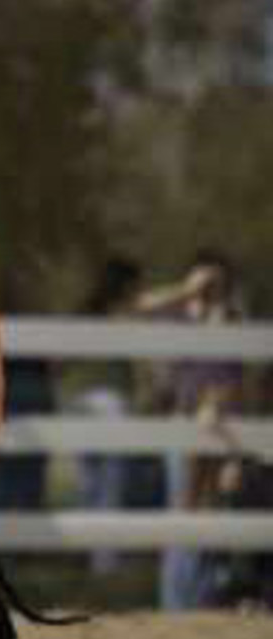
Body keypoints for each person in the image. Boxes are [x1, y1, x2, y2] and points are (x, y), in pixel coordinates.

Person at [133, 249, 246, 609]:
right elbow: (140, 307)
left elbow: (236, 380)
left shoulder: (232, 319)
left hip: (222, 424)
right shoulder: (180, 314)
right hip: (185, 420)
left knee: (211, 511)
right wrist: (186, 291)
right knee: (183, 507)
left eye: (217, 280)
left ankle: (201, 600)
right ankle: (177, 603)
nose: (211, 287)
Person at [63, 256, 143, 574]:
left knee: (89, 482)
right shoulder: (120, 312)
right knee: (110, 482)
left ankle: (86, 553)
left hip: (80, 401)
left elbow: (60, 363)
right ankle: (104, 560)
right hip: (109, 402)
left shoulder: (83, 313)